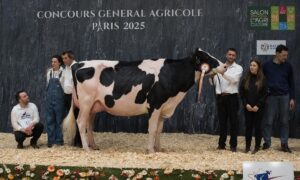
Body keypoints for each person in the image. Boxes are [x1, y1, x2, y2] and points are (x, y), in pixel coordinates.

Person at [262, 44, 295, 153]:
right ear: (277, 53)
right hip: (271, 97)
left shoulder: (288, 66)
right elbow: (261, 81)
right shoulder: (266, 66)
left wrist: (292, 98)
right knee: (268, 121)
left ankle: (284, 143)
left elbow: (292, 83)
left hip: (285, 96)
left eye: (286, 55)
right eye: (284, 55)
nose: (285, 57)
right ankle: (267, 142)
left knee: (285, 121)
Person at [211, 48, 243, 152]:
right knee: (222, 122)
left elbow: (234, 80)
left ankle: (233, 146)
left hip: (232, 97)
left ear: (235, 57)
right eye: (229, 54)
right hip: (221, 97)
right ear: (226, 55)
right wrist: (212, 76)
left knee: (234, 122)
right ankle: (221, 145)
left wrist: (222, 73)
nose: (231, 56)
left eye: (233, 55)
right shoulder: (219, 67)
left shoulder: (238, 68)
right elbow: (214, 83)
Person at [239, 59, 267, 154]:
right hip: (248, 108)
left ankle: (257, 147)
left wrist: (258, 106)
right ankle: (247, 147)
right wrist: (246, 104)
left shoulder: (263, 79)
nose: (252, 67)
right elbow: (242, 93)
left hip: (258, 109)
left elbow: (264, 95)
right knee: (248, 127)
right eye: (251, 65)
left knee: (258, 127)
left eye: (254, 65)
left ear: (258, 67)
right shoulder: (245, 79)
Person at [61, 50, 82, 147]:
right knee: (72, 118)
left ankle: (80, 140)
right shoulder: (65, 68)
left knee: (78, 117)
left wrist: (75, 97)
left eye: (66, 58)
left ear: (71, 58)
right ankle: (74, 139)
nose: (64, 60)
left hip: (76, 96)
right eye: (63, 58)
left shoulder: (77, 67)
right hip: (67, 95)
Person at [46, 55, 65, 147]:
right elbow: (47, 85)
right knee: (49, 120)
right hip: (49, 100)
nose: (52, 63)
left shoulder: (63, 72)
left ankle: (59, 140)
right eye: (52, 61)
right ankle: (50, 140)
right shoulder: (49, 73)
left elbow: (64, 88)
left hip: (59, 100)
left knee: (59, 120)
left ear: (59, 63)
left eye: (55, 62)